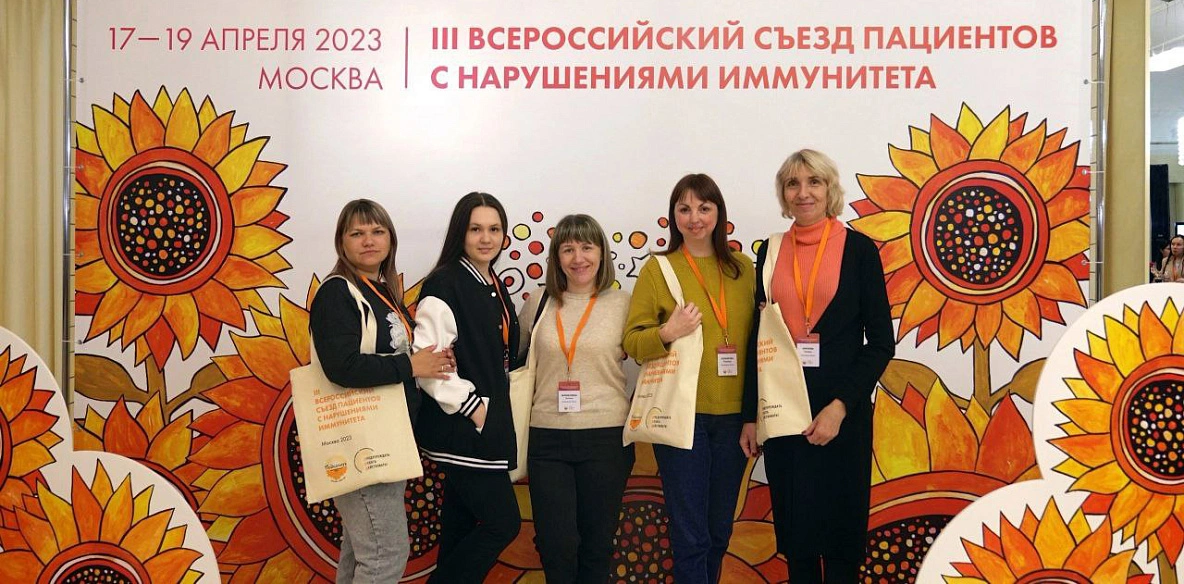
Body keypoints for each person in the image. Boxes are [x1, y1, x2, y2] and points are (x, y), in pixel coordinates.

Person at [739, 149, 894, 583]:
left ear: (830, 189)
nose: (803, 192)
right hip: (784, 415)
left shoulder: (859, 250)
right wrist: (751, 414)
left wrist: (840, 406)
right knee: (799, 544)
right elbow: (759, 337)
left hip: (842, 416)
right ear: (783, 194)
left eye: (814, 182)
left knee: (842, 544)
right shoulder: (770, 252)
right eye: (793, 184)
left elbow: (881, 343)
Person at [308, 199, 455, 584]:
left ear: (390, 238)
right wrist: (411, 365)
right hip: (361, 442)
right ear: (341, 242)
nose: (368, 240)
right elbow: (341, 367)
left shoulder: (380, 289)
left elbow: (393, 354)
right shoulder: (338, 293)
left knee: (361, 554)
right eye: (357, 233)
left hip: (386, 439)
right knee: (385, 554)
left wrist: (427, 360)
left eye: (377, 231)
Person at [622, 174, 756, 584]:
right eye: (684, 209)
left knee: (719, 533)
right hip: (682, 418)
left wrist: (754, 416)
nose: (694, 217)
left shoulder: (743, 269)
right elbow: (632, 342)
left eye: (704, 207)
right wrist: (668, 331)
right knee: (690, 536)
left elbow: (759, 341)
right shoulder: (659, 269)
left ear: (719, 213)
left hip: (735, 420)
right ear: (673, 216)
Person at [516, 214, 634, 584]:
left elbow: (649, 351)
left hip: (606, 436)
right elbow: (514, 360)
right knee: (556, 544)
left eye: (586, 247)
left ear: (602, 253)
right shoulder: (538, 302)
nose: (578, 258)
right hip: (547, 437)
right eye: (568, 249)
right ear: (556, 257)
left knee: (597, 544)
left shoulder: (623, 303)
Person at [413, 192, 522, 583]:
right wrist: (476, 410)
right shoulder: (446, 283)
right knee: (503, 524)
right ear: (461, 232)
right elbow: (429, 364)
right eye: (476, 229)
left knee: (458, 530)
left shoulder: (491, 282)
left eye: (494, 229)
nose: (486, 238)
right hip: (463, 432)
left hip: (483, 429)